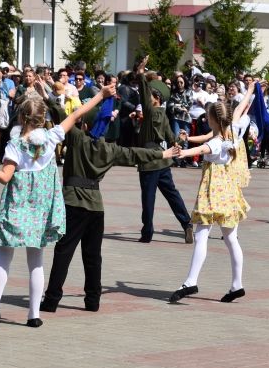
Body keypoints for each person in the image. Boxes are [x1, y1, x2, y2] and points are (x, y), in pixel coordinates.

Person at [0, 88, 113, 329]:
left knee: (4, 255)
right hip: (41, 211)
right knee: (36, 261)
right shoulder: (52, 137)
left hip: (17, 206)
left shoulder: (15, 145)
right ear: (42, 119)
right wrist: (102, 95)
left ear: (22, 118)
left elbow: (5, 177)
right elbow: (76, 114)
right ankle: (33, 314)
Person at [40, 88, 179, 313]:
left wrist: (46, 95)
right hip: (96, 207)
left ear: (85, 124)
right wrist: (162, 154)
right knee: (93, 256)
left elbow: (61, 116)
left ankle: (51, 300)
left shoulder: (76, 139)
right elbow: (135, 153)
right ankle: (93, 301)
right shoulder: (110, 149)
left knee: (64, 252)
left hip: (74, 202)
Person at [169, 101, 250, 304]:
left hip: (213, 192)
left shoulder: (217, 141)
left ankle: (191, 281)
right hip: (229, 192)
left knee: (201, 235)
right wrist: (250, 92)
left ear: (214, 120)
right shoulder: (234, 132)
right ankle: (237, 284)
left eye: (207, 116)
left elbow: (204, 148)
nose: (206, 118)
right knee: (231, 239)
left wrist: (182, 152)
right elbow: (239, 110)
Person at [134, 59, 193, 244]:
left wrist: (141, 71)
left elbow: (143, 90)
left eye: (150, 95)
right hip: (164, 161)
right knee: (172, 195)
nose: (146, 97)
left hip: (150, 159)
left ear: (156, 98)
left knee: (148, 199)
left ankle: (147, 232)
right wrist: (182, 140)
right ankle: (187, 224)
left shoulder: (150, 112)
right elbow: (172, 140)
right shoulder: (165, 116)